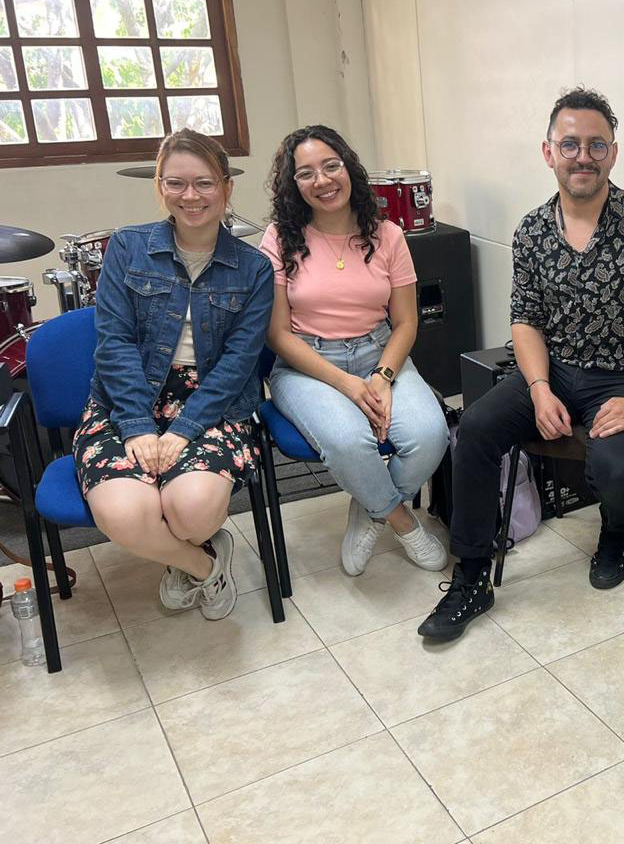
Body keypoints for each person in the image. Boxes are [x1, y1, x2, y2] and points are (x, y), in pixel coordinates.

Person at [418, 87, 624, 642]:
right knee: (474, 429)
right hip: (555, 370)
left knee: (615, 468)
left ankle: (613, 532)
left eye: (596, 145)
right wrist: (540, 389)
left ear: (613, 153)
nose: (583, 156)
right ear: (549, 153)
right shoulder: (532, 230)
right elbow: (525, 320)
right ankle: (471, 576)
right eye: (570, 145)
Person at [75, 129, 273, 620]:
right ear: (160, 186)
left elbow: (239, 362)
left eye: (204, 183)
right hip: (128, 397)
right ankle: (204, 564)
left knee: (192, 511)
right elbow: (114, 342)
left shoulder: (254, 268)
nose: (191, 196)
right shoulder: (127, 247)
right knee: (125, 515)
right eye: (176, 183)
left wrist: (185, 429)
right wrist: (137, 426)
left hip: (213, 401)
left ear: (226, 187)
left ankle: (185, 544)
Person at [261, 125, 449, 577]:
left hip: (378, 354)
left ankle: (370, 509)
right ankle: (401, 521)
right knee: (350, 442)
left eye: (331, 166)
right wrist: (347, 384)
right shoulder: (279, 238)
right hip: (306, 364)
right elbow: (277, 335)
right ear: (293, 184)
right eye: (306, 173)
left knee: (430, 435)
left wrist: (381, 378)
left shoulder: (388, 235)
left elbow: (406, 322)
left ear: (349, 168)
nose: (323, 180)